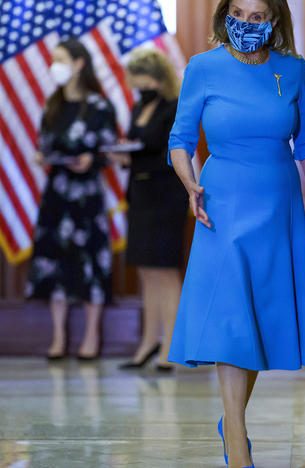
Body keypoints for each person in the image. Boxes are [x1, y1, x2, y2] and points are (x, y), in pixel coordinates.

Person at [166, 1, 305, 467]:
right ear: (225, 15)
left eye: (257, 16)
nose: (246, 24)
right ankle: (239, 441)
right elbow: (180, 140)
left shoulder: (293, 69)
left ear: (274, 21)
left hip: (277, 204)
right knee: (231, 314)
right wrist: (190, 184)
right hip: (221, 202)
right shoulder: (203, 68)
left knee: (257, 318)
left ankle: (231, 420)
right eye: (238, 13)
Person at [25, 39, 117, 361]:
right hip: (57, 193)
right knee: (55, 258)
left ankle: (92, 336)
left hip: (87, 195)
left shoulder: (99, 106)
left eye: (61, 59)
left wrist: (92, 159)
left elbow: (110, 150)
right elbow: (45, 142)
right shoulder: (53, 104)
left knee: (91, 261)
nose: (55, 66)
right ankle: (58, 337)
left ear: (79, 64)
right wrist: (42, 156)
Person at [107, 49, 188, 373]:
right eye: (136, 81)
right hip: (139, 193)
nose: (140, 87)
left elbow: (172, 152)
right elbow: (137, 147)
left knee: (166, 271)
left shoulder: (173, 107)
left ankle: (171, 346)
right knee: (145, 271)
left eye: (144, 80)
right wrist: (123, 156)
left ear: (158, 78)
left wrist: (134, 157)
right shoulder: (139, 106)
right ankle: (147, 343)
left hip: (166, 194)